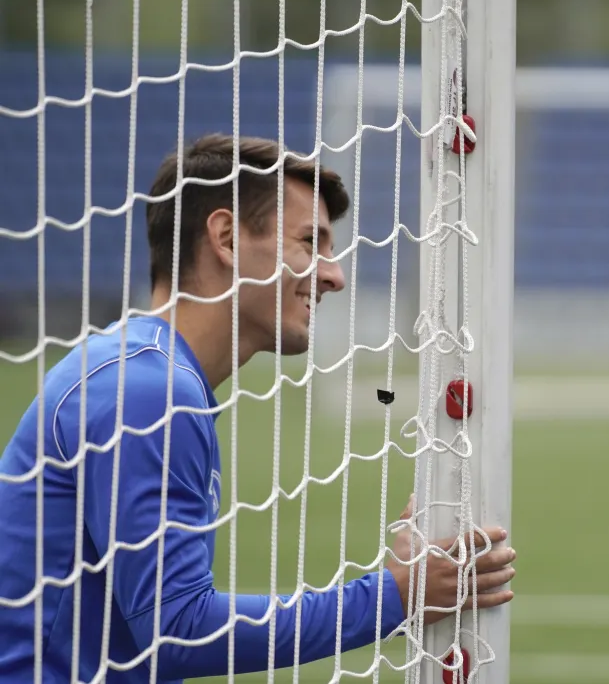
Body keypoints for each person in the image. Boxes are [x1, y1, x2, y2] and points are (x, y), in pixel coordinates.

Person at [0, 133, 517, 683]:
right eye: (311, 242)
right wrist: (393, 597)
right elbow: (178, 629)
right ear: (225, 237)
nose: (334, 276)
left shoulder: (152, 373)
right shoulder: (144, 389)